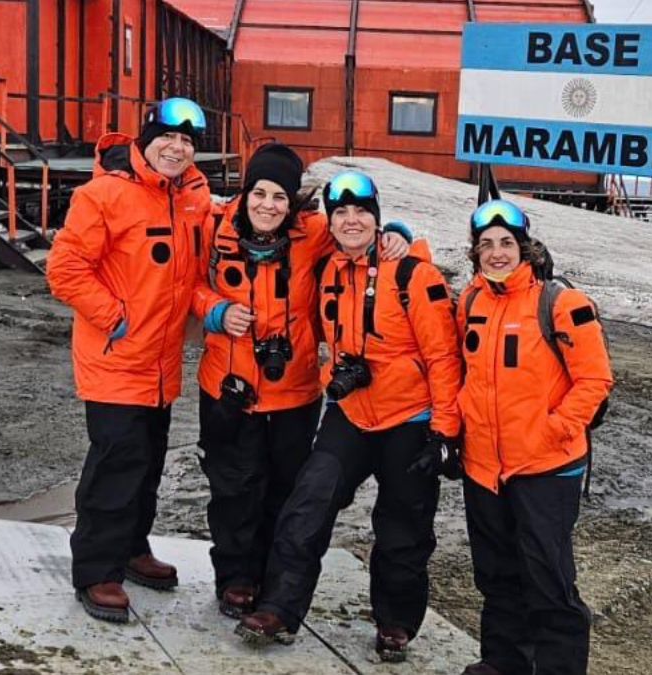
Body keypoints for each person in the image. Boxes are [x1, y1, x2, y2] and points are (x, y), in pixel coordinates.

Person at [235, 170, 463, 663]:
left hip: (409, 419)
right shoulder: (331, 269)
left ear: (377, 219)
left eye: (362, 212)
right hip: (351, 414)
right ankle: (279, 608)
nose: (351, 220)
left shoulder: (413, 275)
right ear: (331, 222)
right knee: (306, 507)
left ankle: (395, 623)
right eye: (340, 212)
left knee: (403, 527)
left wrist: (445, 430)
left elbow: (443, 356)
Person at [190, 145, 412, 618]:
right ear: (247, 192)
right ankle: (235, 578)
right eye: (261, 193)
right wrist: (215, 309)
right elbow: (186, 282)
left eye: (280, 197)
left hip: (294, 390)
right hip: (228, 385)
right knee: (233, 488)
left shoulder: (312, 233)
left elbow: (360, 240)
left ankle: (271, 582)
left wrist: (399, 234)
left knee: (285, 489)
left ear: (294, 202)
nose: (268, 205)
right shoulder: (214, 228)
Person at [46, 97, 213, 623]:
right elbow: (65, 269)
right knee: (114, 466)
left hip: (162, 365)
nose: (178, 147)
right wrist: (114, 315)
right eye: (168, 136)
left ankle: (133, 547)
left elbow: (222, 231)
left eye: (188, 141)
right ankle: (98, 570)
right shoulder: (103, 195)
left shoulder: (192, 197)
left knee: (146, 463)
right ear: (145, 139)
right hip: (116, 359)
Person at [454, 200, 613, 675]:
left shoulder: (562, 303)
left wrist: (556, 429)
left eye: (506, 244)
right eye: (486, 245)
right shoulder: (470, 301)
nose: (496, 253)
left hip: (546, 468)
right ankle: (503, 664)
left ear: (525, 249)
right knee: (497, 576)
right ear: (475, 253)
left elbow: (595, 380)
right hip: (484, 468)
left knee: (549, 582)